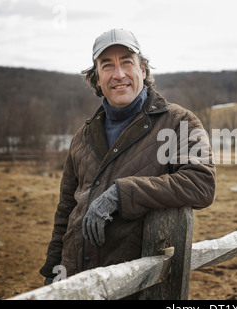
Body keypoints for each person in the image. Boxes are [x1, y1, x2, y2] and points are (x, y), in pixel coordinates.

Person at [39, 28, 216, 287]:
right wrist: (53, 271)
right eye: (107, 65)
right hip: (74, 278)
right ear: (97, 79)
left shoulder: (179, 122)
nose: (119, 74)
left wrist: (121, 194)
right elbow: (66, 210)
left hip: (133, 284)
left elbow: (202, 184)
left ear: (143, 70)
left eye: (127, 62)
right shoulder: (83, 135)